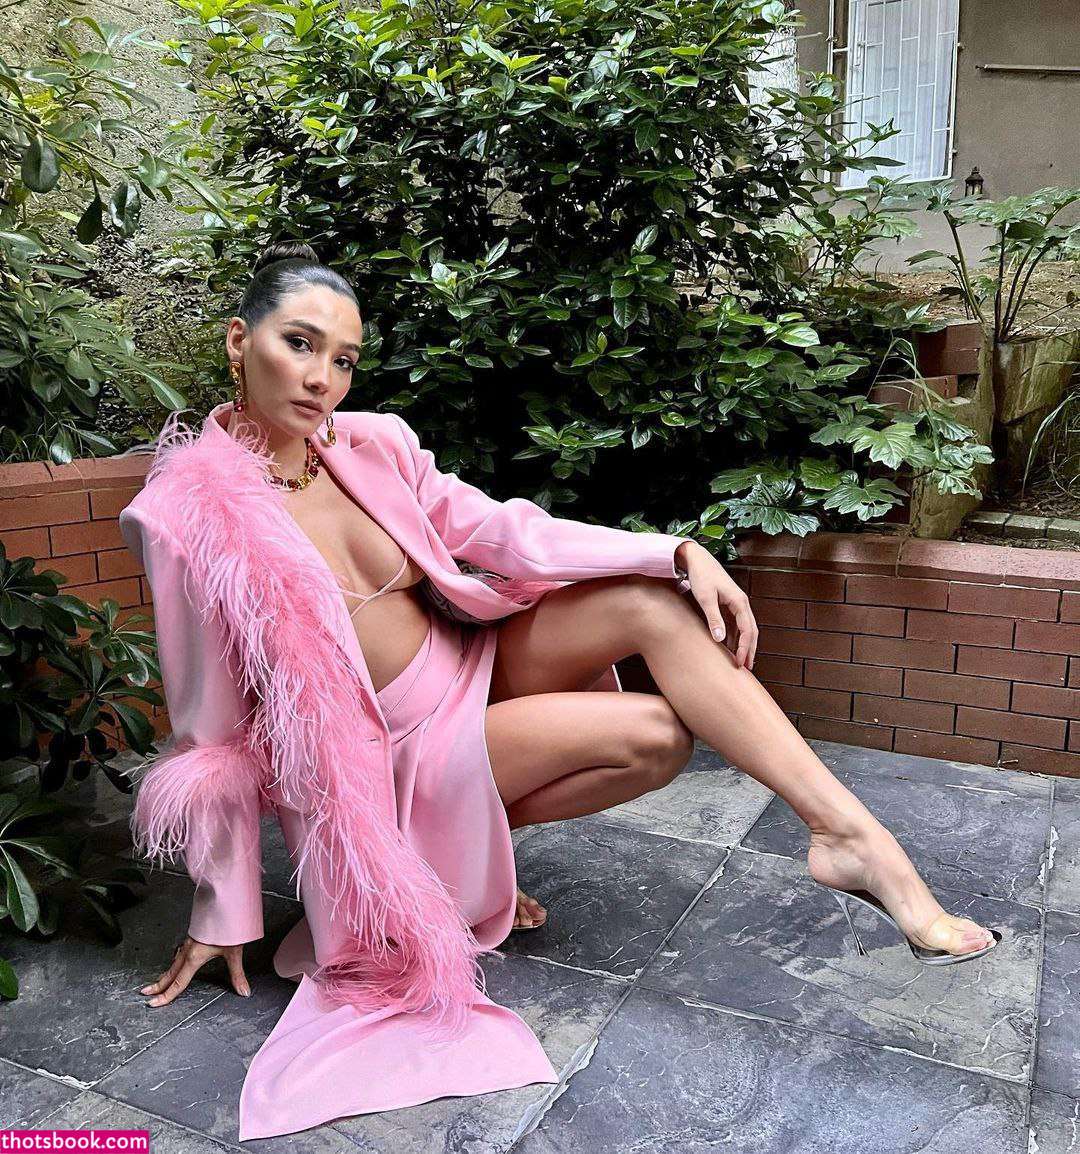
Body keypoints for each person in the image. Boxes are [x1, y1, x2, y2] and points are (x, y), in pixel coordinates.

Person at [119, 241, 999, 1140]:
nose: (321, 379)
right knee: (658, 735)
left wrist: (676, 550)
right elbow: (209, 736)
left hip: (470, 662)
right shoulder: (183, 518)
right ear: (240, 341)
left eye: (343, 359)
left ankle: (848, 835)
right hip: (394, 756)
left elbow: (504, 531)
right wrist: (222, 908)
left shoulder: (369, 442)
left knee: (650, 603)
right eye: (299, 344)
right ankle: (448, 857)